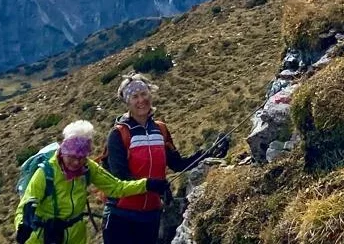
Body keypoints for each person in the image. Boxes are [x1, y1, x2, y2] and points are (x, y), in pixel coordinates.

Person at [101, 74, 228, 244]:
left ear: (150, 94)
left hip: (150, 216)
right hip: (121, 215)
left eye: (144, 94)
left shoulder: (160, 130)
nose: (141, 100)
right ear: (127, 102)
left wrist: (208, 152)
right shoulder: (118, 134)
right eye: (135, 97)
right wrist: (153, 185)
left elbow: (177, 164)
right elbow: (119, 176)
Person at [15, 119, 169, 244]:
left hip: (76, 235)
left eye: (81, 158)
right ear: (63, 151)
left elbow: (116, 187)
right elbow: (25, 205)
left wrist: (147, 184)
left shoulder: (88, 168)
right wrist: (22, 226)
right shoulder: (45, 173)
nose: (76, 163)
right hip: (43, 236)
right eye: (72, 157)